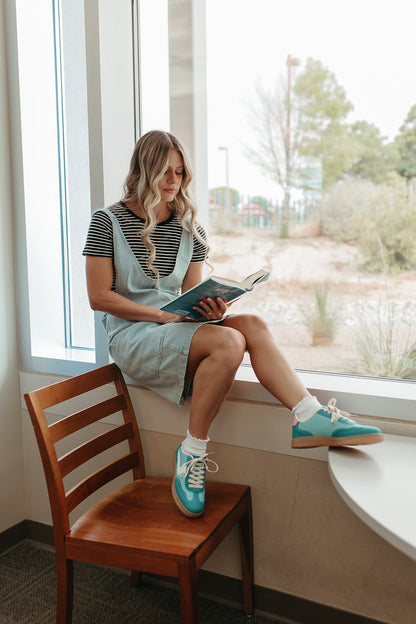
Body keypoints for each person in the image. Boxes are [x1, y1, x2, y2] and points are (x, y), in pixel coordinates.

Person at [83, 130, 383, 519]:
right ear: (143, 170)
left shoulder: (189, 227)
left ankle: (308, 416)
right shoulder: (106, 222)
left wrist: (209, 311)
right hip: (133, 335)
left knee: (251, 324)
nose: (173, 181)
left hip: (172, 328)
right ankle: (192, 454)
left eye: (179, 172)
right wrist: (163, 315)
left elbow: (186, 299)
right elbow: (98, 298)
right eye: (164, 172)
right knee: (227, 344)